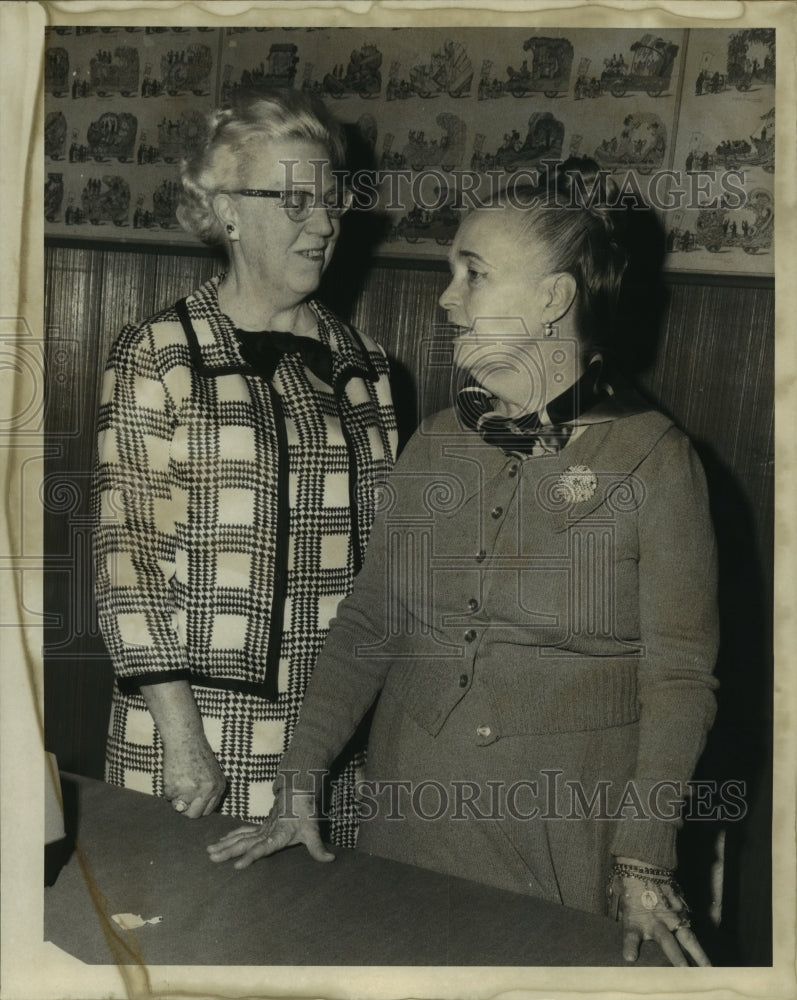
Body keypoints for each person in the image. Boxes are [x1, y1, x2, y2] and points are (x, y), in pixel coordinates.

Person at [208, 159, 719, 966]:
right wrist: (300, 776)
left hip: (556, 829)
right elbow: (371, 622)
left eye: (472, 275)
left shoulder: (656, 463)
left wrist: (642, 857)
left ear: (553, 300)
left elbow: (680, 679)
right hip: (404, 815)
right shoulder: (437, 440)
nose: (446, 298)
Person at [91, 88, 398, 847]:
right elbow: (127, 566)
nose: (324, 223)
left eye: (331, 200)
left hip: (330, 739)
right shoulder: (158, 354)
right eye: (295, 200)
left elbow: (387, 564)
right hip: (199, 733)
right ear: (227, 209)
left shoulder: (366, 367)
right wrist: (185, 743)